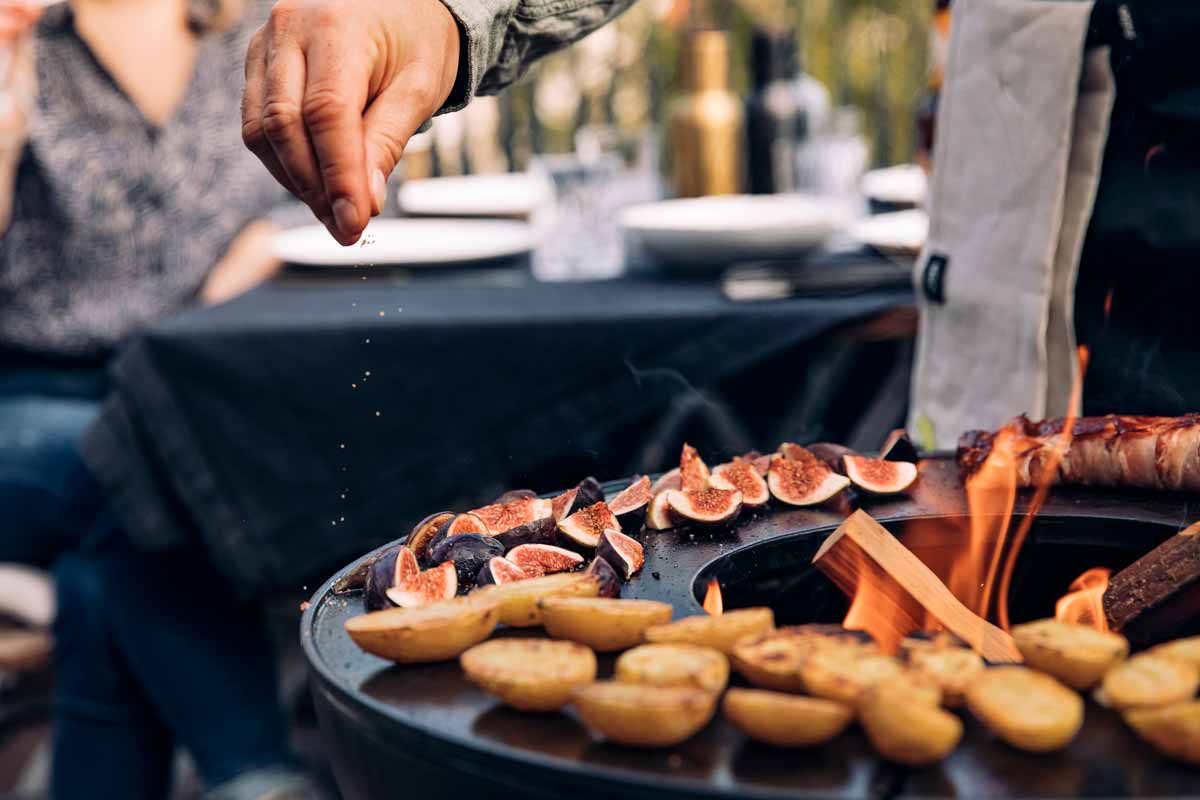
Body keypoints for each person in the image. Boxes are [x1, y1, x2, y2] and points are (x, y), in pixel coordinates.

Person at [0, 0, 322, 796]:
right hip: (32, 405)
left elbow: (329, 185)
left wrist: (255, 255)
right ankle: (256, 772)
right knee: (135, 467)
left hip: (196, 394)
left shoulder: (258, 30)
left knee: (96, 585)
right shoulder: (23, 35)